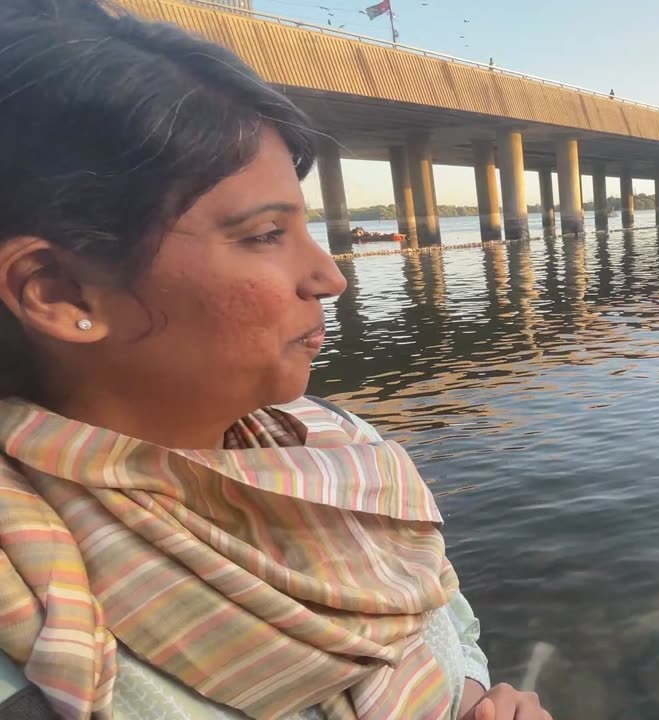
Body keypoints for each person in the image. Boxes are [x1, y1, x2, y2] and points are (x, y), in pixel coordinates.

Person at [0, 1, 552, 718]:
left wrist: (476, 695)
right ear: (58, 291)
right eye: (264, 235)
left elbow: (449, 621)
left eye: (306, 227)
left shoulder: (345, 453)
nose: (329, 277)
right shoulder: (32, 617)